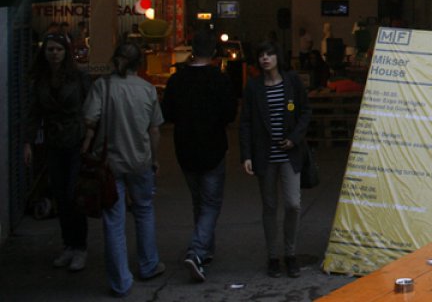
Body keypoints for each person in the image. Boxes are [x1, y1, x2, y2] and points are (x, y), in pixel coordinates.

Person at [82, 42, 165, 297]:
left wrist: (85, 151)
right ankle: (149, 265)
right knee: (144, 211)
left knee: (113, 221)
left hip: (109, 164)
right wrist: (154, 159)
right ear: (139, 63)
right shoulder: (148, 89)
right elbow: (154, 130)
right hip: (140, 161)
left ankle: (120, 281)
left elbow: (89, 121)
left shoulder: (102, 86)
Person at [162, 29, 238, 282]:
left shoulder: (177, 80)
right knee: (211, 203)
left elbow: (168, 113)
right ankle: (197, 251)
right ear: (214, 52)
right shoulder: (220, 80)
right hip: (213, 147)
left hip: (184, 148)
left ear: (192, 50)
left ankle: (206, 249)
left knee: (199, 201)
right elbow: (230, 114)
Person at [239, 40, 312, 278]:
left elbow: (305, 111)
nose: (265, 58)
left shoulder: (292, 81)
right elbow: (246, 121)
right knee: (269, 206)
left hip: (289, 154)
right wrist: (246, 155)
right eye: (261, 55)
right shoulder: (253, 86)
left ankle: (290, 254)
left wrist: (294, 138)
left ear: (278, 57)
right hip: (265, 155)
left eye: (269, 54)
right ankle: (273, 257)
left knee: (293, 204)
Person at [23, 32, 93, 271]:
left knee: (74, 194)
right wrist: (28, 142)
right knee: (60, 195)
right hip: (54, 141)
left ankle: (80, 246)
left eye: (58, 49)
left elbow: (91, 107)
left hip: (76, 141)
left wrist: (90, 137)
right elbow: (34, 113)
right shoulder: (41, 80)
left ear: (66, 52)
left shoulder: (79, 77)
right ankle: (69, 245)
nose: (54, 54)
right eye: (50, 49)